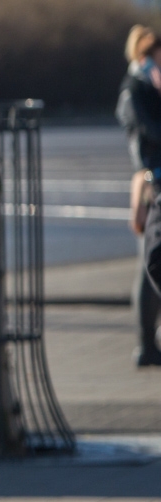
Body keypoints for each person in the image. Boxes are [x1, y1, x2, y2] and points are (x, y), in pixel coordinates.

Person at [118, 24, 161, 366]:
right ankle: (146, 344)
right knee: (149, 265)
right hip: (149, 184)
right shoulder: (136, 89)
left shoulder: (145, 86)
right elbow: (149, 133)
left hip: (148, 180)